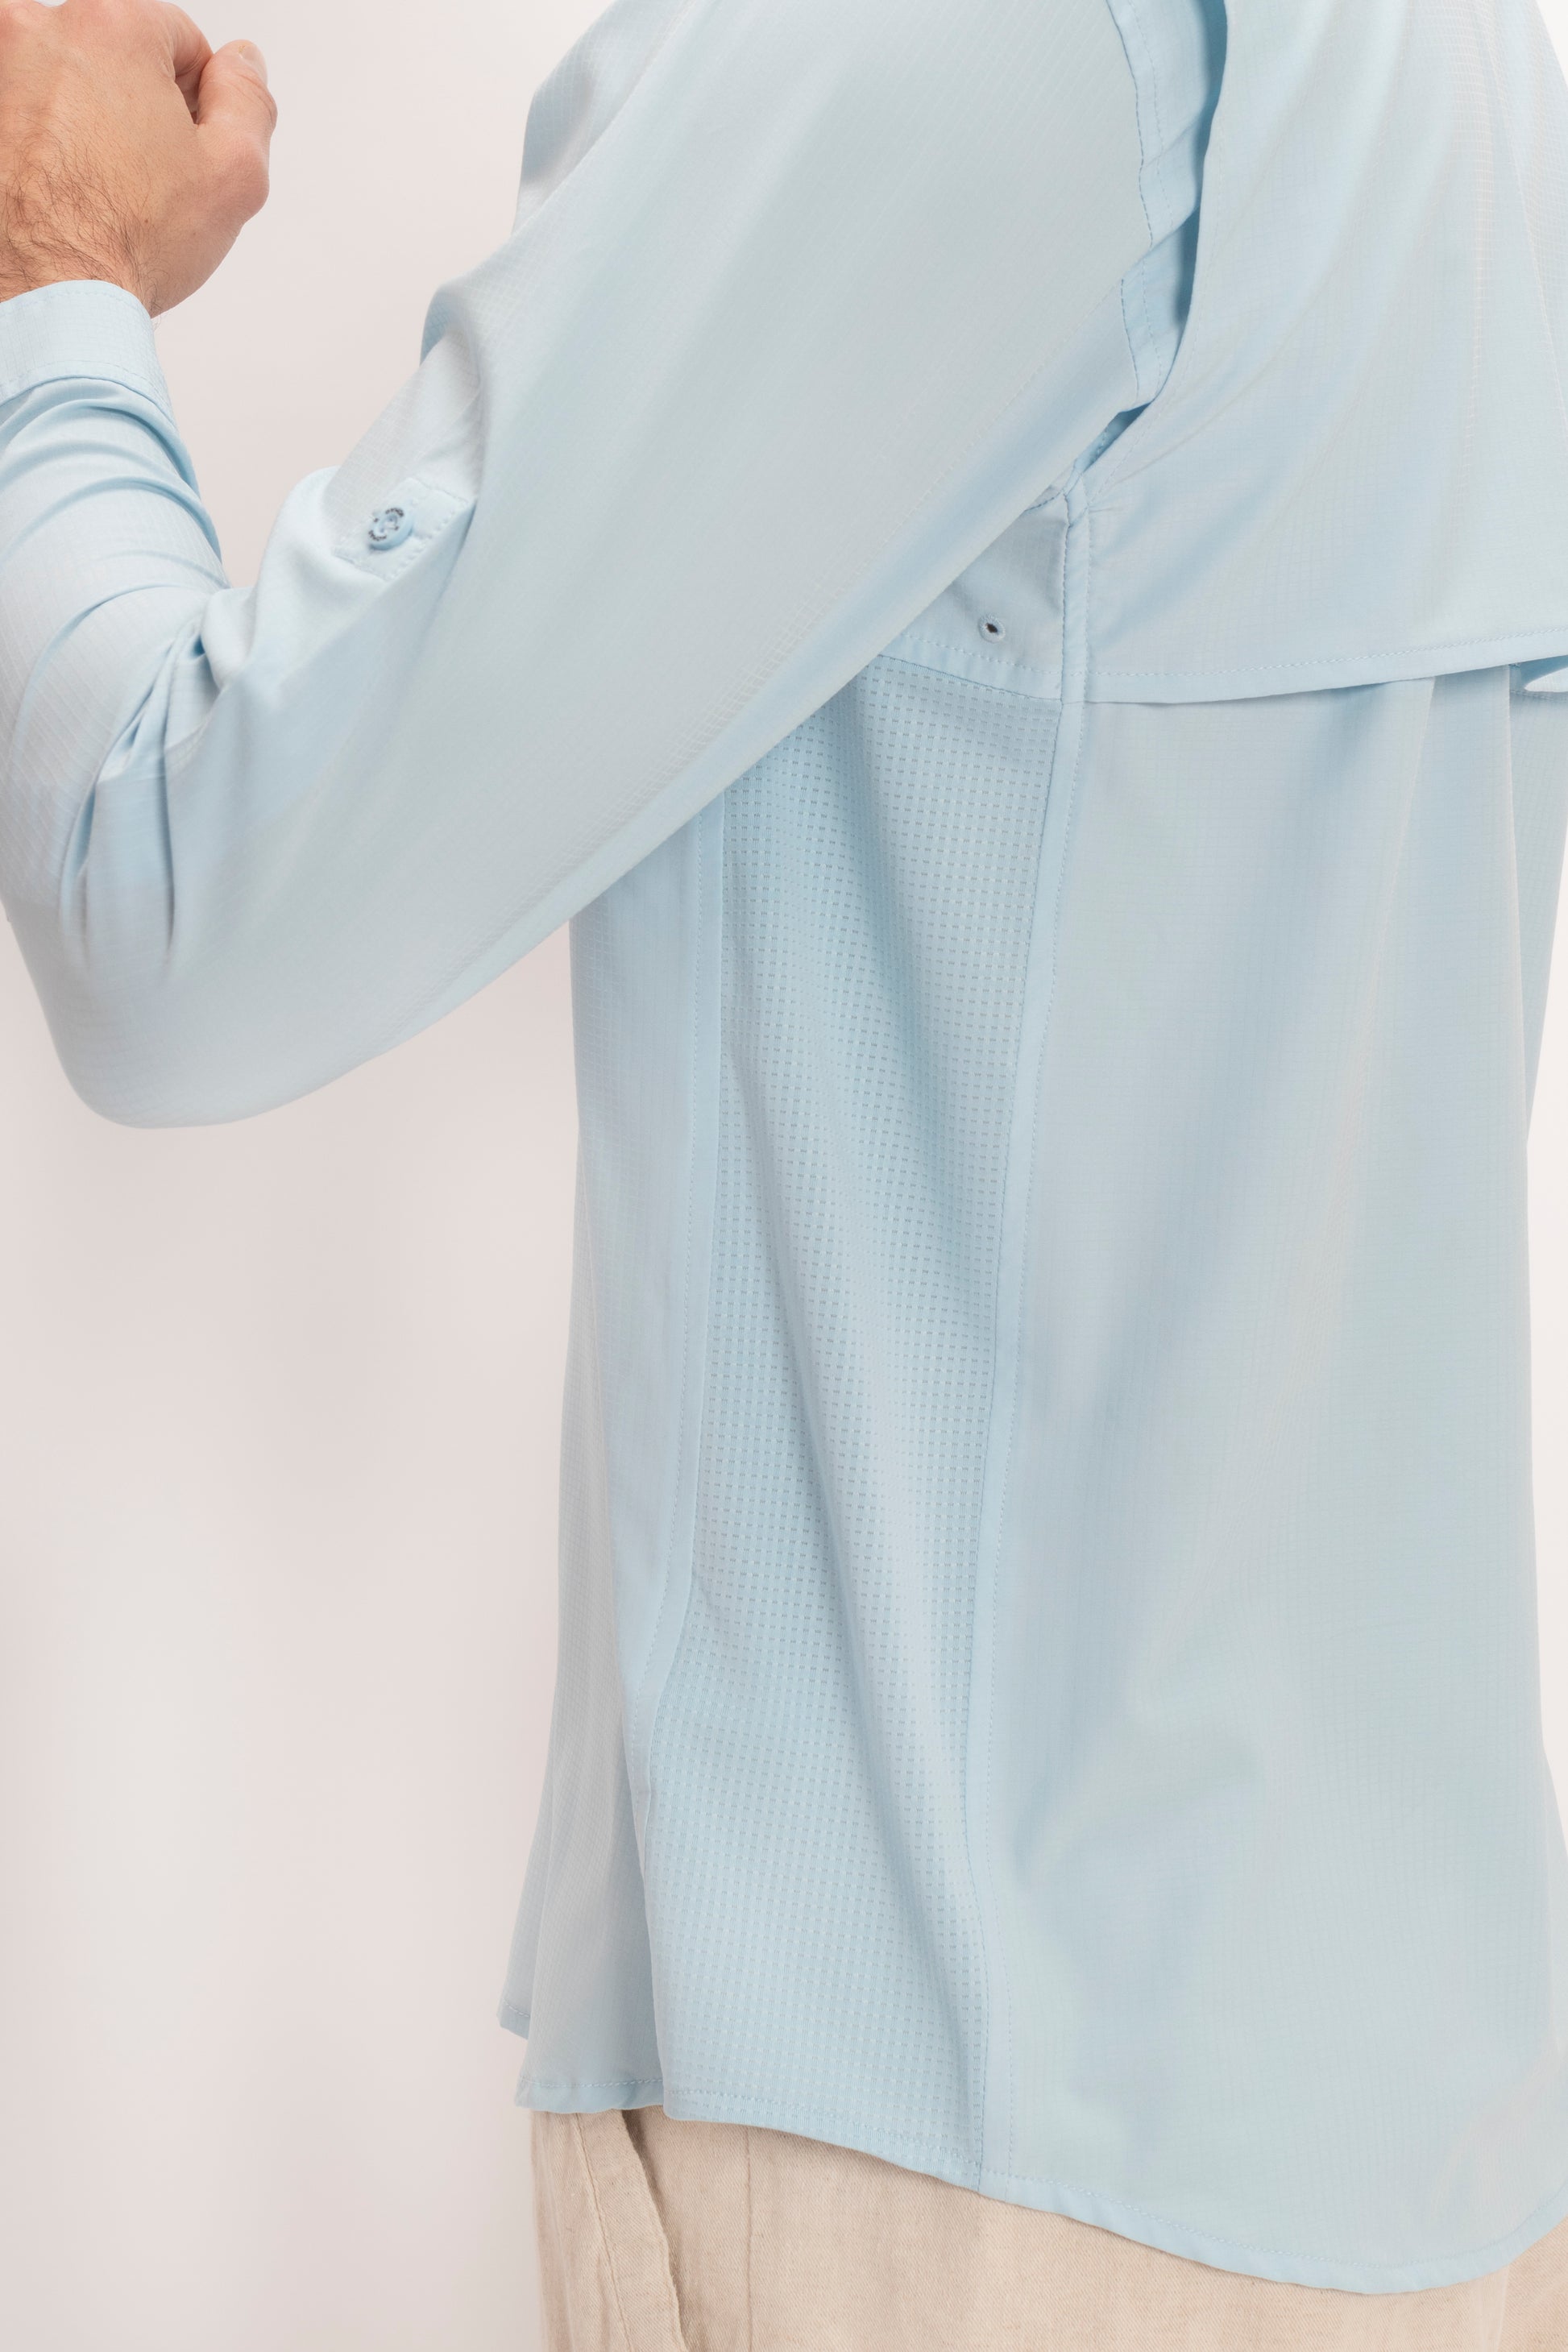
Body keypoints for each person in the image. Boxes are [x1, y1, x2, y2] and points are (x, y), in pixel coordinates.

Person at [3, 0, 1568, 2342]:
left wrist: (50, 267)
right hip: (1406, 2160)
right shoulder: (1461, 50)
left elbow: (170, 898)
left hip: (963, 2189)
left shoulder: (946, 41)